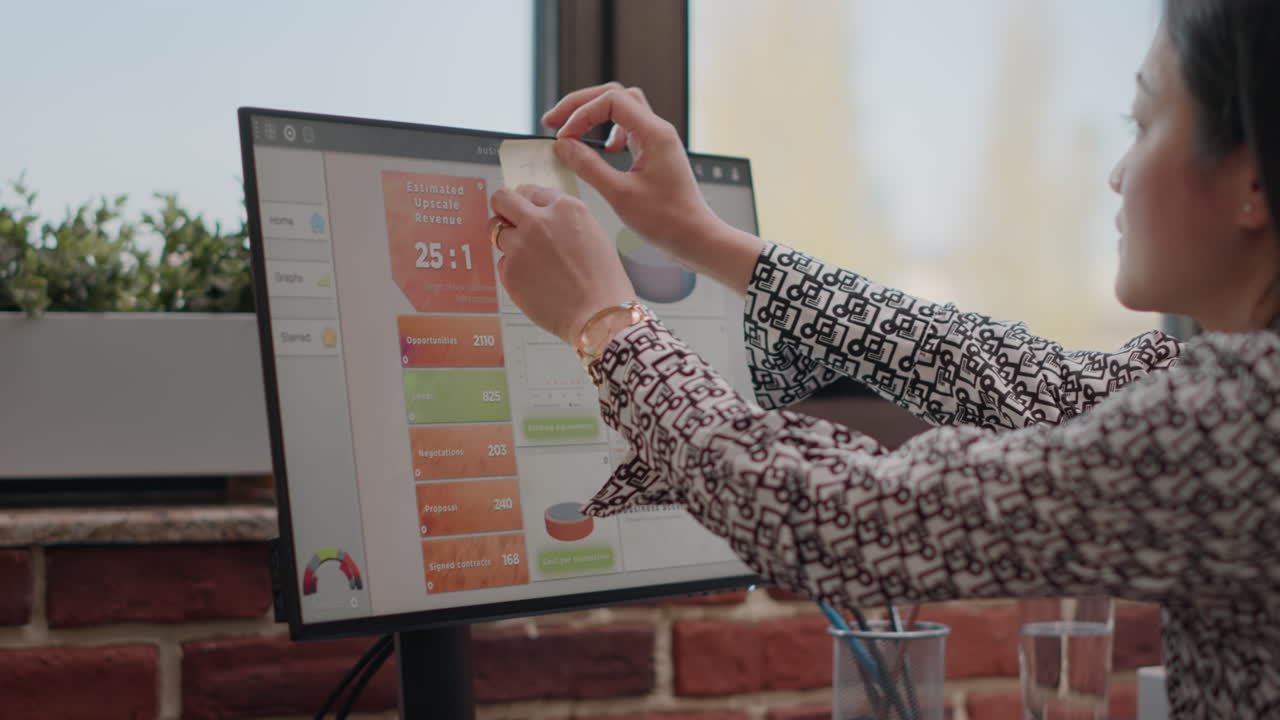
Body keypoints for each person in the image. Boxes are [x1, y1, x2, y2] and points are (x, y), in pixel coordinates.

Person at [488, 0, 1280, 716]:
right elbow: (1008, 375)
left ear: (1251, 178)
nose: (1117, 172)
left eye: (1141, 125)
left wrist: (605, 322)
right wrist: (704, 241)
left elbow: (835, 516)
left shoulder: (1240, 422)